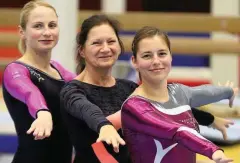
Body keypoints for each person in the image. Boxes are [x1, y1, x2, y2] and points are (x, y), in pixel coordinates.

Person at [60, 14, 233, 163]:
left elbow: (164, 108)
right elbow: (88, 111)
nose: (105, 48)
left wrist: (209, 119)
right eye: (97, 43)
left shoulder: (128, 88)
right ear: (82, 51)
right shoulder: (73, 91)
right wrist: (105, 126)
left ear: (119, 46)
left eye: (111, 41)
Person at [121, 26, 237, 163]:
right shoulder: (134, 107)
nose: (156, 61)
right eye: (147, 55)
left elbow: (204, 92)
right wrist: (213, 150)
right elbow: (178, 131)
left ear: (171, 57)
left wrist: (227, 92)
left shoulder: (178, 92)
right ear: (135, 62)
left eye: (162, 54)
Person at [2, 1, 75, 163]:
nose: (47, 32)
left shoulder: (60, 71)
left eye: (52, 25)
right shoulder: (16, 70)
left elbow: (86, 88)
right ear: (22, 32)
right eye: (38, 26)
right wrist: (42, 112)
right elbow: (30, 93)